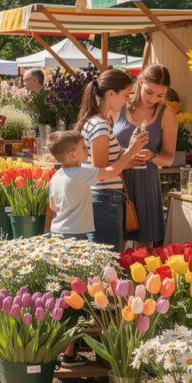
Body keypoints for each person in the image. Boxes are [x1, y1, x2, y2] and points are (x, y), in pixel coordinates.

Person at [47, 128, 147, 365]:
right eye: (84, 148)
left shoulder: (57, 176)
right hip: (76, 238)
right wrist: (132, 150)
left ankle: (63, 349)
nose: (87, 151)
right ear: (72, 155)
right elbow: (112, 171)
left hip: (57, 235)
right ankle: (69, 353)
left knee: (63, 291)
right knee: (76, 294)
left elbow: (53, 206)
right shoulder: (80, 175)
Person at [114, 65, 176, 248]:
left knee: (144, 252)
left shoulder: (168, 114)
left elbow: (169, 158)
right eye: (149, 92)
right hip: (118, 179)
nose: (152, 99)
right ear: (140, 83)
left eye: (160, 95)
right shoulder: (119, 107)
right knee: (115, 246)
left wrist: (151, 155)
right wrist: (127, 152)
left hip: (146, 183)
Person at [76, 69, 137, 252]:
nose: (128, 100)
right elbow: (100, 171)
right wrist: (132, 150)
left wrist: (129, 156)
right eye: (126, 95)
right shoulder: (100, 124)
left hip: (101, 199)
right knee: (108, 261)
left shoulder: (96, 121)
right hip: (105, 198)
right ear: (111, 93)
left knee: (102, 260)